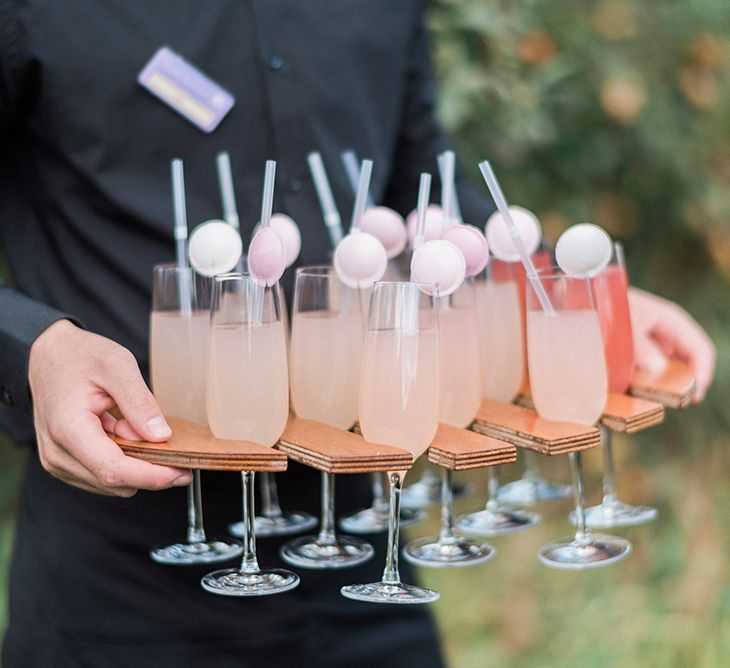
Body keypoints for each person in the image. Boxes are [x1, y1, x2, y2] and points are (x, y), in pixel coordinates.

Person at [0, 2, 715, 667]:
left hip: (369, 552)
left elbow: (423, 192)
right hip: (121, 577)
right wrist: (34, 345)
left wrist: (568, 280)